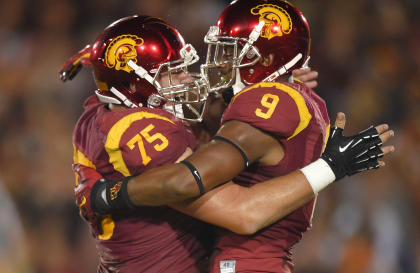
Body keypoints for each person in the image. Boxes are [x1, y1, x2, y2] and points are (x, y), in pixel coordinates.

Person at [74, 1, 394, 273]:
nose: (194, 76)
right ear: (131, 85)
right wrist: (331, 166)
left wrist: (108, 193)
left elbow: (207, 170)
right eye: (173, 72)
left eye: (232, 52)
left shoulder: (97, 110)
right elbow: (237, 202)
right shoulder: (138, 129)